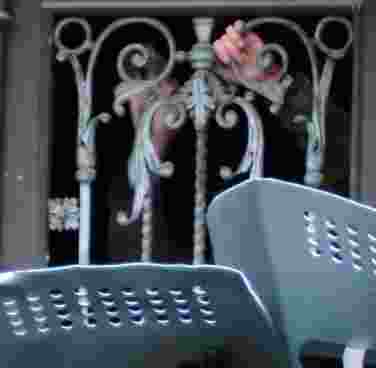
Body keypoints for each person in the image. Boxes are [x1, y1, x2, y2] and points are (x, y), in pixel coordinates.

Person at [102, 20, 349, 264]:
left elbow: (353, 167)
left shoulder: (262, 136)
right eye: (139, 74)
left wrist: (276, 83)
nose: (150, 92)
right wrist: (152, 143)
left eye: (154, 73)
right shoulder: (132, 179)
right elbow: (131, 275)